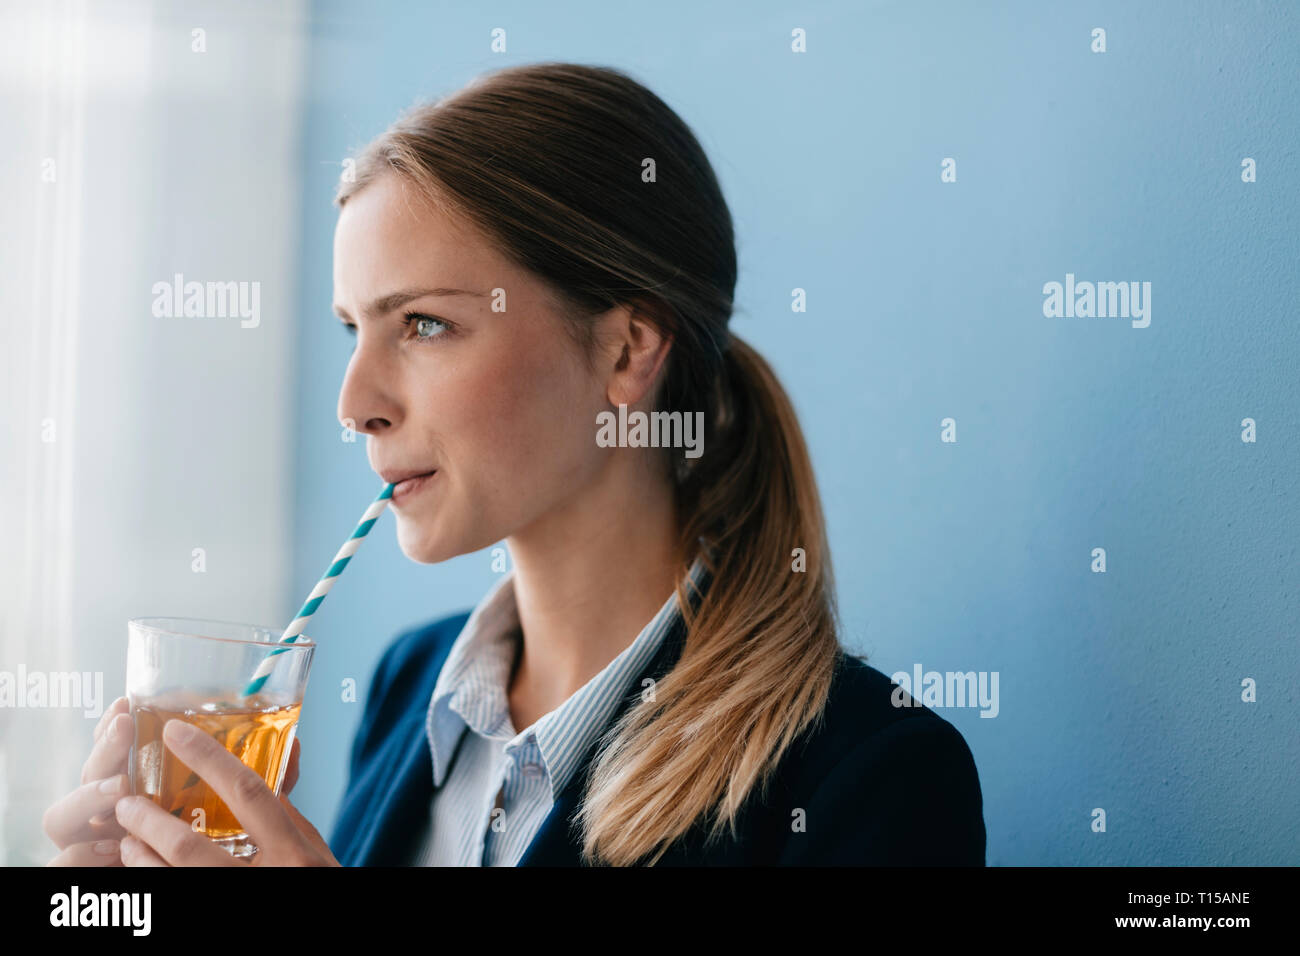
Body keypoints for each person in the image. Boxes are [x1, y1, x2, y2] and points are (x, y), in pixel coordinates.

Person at [45, 62, 985, 867]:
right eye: (351, 329)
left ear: (627, 350)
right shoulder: (409, 687)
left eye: (424, 324)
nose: (354, 403)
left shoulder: (869, 775)